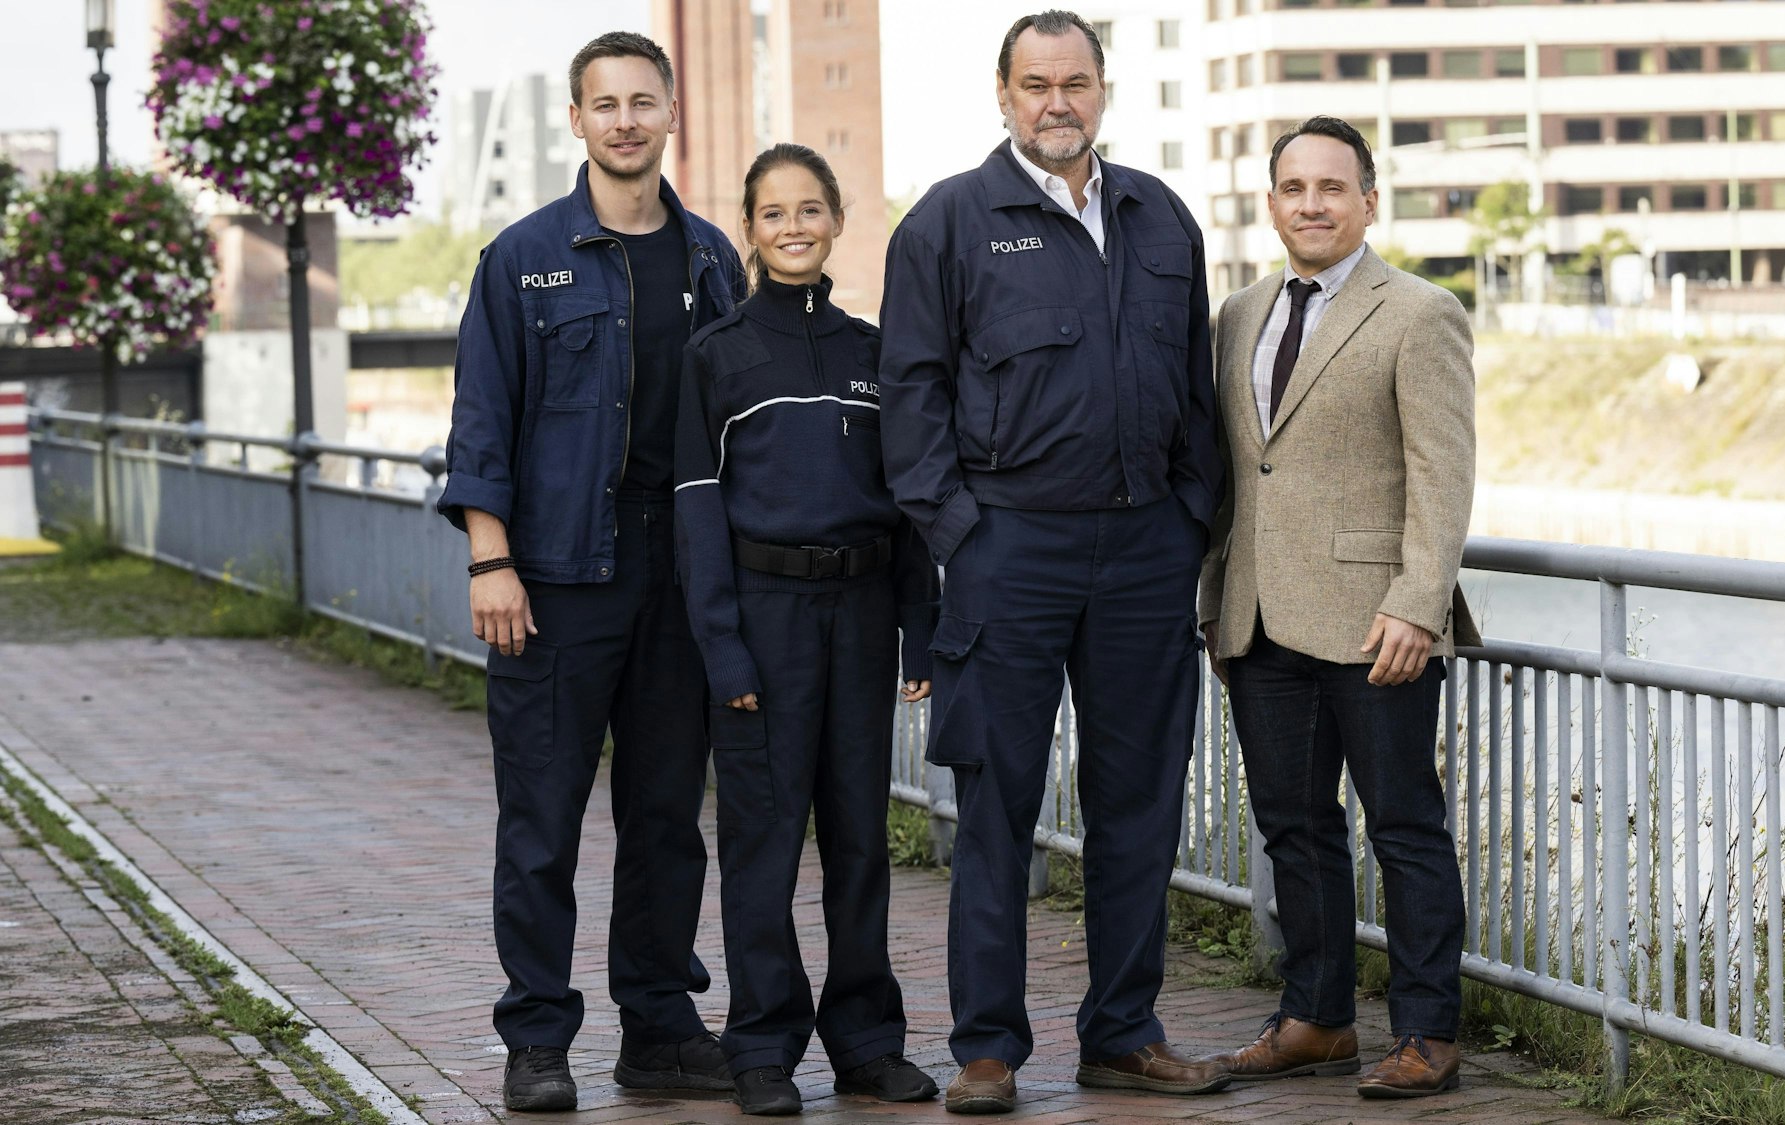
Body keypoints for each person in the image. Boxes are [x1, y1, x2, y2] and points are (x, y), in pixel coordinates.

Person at [877, 10, 1226, 1114]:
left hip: (1141, 555)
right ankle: (987, 1050)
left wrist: (1189, 519)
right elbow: (910, 397)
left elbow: (1195, 389)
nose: (1056, 102)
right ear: (1002, 94)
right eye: (1035, 84)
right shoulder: (946, 223)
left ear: (1102, 90)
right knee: (993, 808)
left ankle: (1122, 1032)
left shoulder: (1160, 219)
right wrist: (963, 537)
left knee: (1139, 805)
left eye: (1074, 82)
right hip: (1007, 549)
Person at [436, 31, 746, 1113]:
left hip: (680, 576)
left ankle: (658, 1030)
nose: (624, 120)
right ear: (576, 120)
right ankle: (536, 1039)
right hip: (557, 578)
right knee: (542, 819)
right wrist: (491, 558)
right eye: (603, 104)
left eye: (641, 102)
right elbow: (482, 420)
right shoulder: (523, 258)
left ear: (670, 115)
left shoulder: (713, 257)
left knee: (665, 816)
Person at [1196, 116, 1480, 1099]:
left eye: (1330, 187)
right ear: (1269, 202)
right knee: (1292, 827)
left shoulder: (1418, 311)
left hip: (1377, 623)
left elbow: (1441, 475)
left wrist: (1417, 601)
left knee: (1401, 826)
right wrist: (1213, 599)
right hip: (1258, 618)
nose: (1310, 204)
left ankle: (1427, 1032)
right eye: (1292, 188)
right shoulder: (1236, 313)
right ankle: (1314, 1018)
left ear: (1367, 200)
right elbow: (1239, 473)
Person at [673, 144, 941, 1116]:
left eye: (809, 210)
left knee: (861, 841)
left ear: (836, 219)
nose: (792, 228)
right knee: (764, 844)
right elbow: (695, 510)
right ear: (747, 229)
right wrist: (721, 646)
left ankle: (867, 1043)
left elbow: (909, 502)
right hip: (763, 618)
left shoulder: (875, 353)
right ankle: (760, 1049)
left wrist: (919, 627)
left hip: (863, 616)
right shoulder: (715, 356)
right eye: (771, 213)